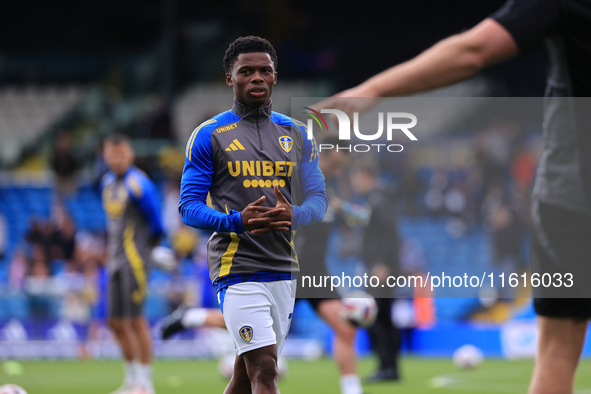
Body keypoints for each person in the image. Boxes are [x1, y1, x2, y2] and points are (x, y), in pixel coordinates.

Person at [319, 1, 591, 393]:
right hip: (569, 190)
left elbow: (474, 50)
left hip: (574, 189)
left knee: (558, 353)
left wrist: (373, 88)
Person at [179, 36, 327, 394]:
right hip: (236, 267)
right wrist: (236, 222)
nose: (257, 78)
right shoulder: (209, 135)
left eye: (265, 71)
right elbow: (188, 207)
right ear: (230, 78)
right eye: (246, 71)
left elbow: (319, 201)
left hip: (283, 266)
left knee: (246, 376)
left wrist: (295, 214)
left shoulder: (297, 134)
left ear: (276, 77)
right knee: (266, 369)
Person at [101, 134, 164, 394]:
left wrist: (151, 252)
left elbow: (158, 225)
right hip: (113, 260)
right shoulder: (106, 184)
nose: (116, 159)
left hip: (135, 260)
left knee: (136, 319)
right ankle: (131, 380)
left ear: (130, 155)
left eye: (121, 154)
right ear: (105, 156)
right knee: (115, 322)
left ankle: (146, 383)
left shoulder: (140, 184)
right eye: (112, 154)